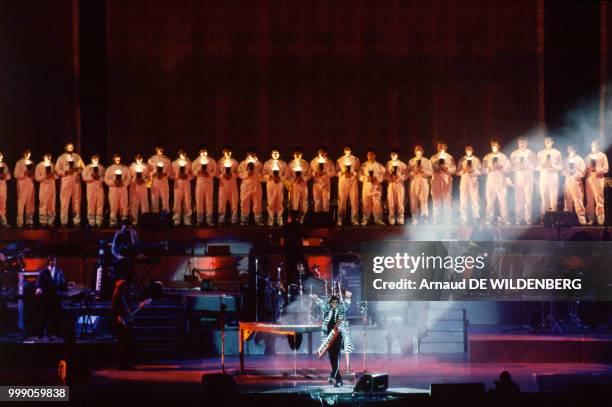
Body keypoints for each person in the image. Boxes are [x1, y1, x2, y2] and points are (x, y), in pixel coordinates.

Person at [312, 293, 354, 387]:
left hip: (338, 336)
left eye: (336, 302)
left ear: (338, 303)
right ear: (330, 303)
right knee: (332, 358)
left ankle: (333, 376)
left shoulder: (341, 310)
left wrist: (347, 297)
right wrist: (316, 298)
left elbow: (347, 304)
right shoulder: (327, 310)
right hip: (329, 336)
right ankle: (339, 380)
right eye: (332, 302)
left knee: (336, 356)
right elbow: (321, 304)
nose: (334, 304)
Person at [35, 256, 68, 339]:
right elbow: (39, 282)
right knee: (44, 315)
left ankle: (56, 333)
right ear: (48, 262)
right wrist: (38, 289)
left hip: (56, 296)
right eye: (52, 261)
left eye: (54, 261)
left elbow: (63, 283)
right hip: (46, 297)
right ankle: (41, 333)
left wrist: (67, 286)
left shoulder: (59, 271)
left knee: (56, 315)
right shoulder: (44, 271)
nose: (53, 263)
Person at [55, 142, 84, 227]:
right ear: (65, 148)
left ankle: (76, 221)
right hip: (66, 181)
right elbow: (57, 169)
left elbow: (83, 168)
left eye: (72, 147)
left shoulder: (77, 157)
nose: (70, 149)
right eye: (69, 147)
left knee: (76, 201)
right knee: (64, 201)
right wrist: (66, 171)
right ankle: (64, 221)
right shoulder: (61, 158)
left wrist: (77, 170)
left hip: (76, 181)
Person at [483, 140, 510, 225]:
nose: (494, 147)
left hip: (500, 179)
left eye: (495, 145)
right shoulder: (487, 157)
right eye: (492, 145)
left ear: (499, 146)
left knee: (502, 200)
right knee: (490, 201)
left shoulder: (503, 156)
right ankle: (489, 219)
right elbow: (483, 169)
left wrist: (501, 167)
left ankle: (505, 219)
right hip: (491, 179)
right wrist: (490, 169)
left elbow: (508, 168)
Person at [510, 137, 536, 225]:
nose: (521, 144)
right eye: (520, 143)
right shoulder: (514, 153)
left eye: (523, 143)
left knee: (528, 199)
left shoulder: (530, 153)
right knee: (518, 198)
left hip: (528, 176)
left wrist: (527, 166)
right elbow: (511, 166)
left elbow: (535, 165)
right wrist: (517, 167)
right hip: (518, 176)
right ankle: (519, 219)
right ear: (518, 143)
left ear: (526, 143)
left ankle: (528, 218)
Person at [110, 279, 135, 370]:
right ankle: (122, 365)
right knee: (123, 343)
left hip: (126, 321)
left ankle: (126, 364)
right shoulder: (116, 297)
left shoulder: (124, 296)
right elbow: (114, 311)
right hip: (121, 322)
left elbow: (127, 309)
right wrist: (119, 318)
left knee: (126, 343)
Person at [537, 136, 563, 219]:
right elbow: (536, 167)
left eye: (549, 141)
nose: (547, 142)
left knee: (553, 196)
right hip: (543, 176)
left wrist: (553, 166)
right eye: (545, 141)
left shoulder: (557, 153)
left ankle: (553, 217)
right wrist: (543, 165)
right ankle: (545, 217)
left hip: (553, 176)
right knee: (544, 197)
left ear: (552, 142)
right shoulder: (540, 153)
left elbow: (561, 166)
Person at [430, 142, 456, 224]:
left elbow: (454, 170)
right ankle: (436, 219)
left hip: (446, 180)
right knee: (436, 199)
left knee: (447, 199)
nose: (441, 147)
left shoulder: (449, 157)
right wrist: (435, 169)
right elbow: (429, 169)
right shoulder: (433, 157)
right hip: (436, 180)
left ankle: (447, 219)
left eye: (443, 146)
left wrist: (446, 168)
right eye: (440, 146)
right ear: (437, 147)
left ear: (446, 147)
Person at [111, 219, 141, 289]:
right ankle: (119, 286)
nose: (127, 228)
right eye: (125, 226)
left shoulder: (134, 233)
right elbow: (113, 249)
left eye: (129, 227)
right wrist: (119, 257)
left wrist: (139, 253)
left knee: (129, 271)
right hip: (120, 258)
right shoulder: (118, 234)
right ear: (122, 226)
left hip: (130, 257)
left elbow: (137, 245)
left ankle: (127, 287)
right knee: (121, 270)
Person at [585, 140, 609, 225]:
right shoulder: (588, 156)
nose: (593, 147)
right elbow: (584, 169)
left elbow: (606, 168)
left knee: (599, 199)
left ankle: (600, 219)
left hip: (598, 179)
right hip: (589, 179)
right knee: (590, 200)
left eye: (595, 145)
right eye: (592, 145)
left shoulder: (602, 156)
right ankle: (591, 218)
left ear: (598, 146)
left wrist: (598, 170)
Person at [359, 148, 386, 226]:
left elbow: (383, 175)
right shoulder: (364, 165)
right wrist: (366, 178)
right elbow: (360, 175)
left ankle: (377, 219)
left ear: (375, 155)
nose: (369, 156)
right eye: (368, 155)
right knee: (366, 203)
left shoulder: (379, 166)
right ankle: (365, 219)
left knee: (377, 203)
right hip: (367, 187)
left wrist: (376, 178)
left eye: (371, 155)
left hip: (376, 187)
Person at [336, 144, 361, 226]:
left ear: (351, 150)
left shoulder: (355, 159)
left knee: (354, 200)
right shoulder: (340, 160)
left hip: (352, 182)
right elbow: (336, 171)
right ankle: (340, 219)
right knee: (342, 200)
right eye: (345, 149)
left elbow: (358, 171)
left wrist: (352, 174)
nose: (347, 150)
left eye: (348, 149)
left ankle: (354, 219)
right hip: (343, 181)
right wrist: (342, 173)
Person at [238, 147, 264, 226]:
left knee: (257, 203)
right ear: (247, 154)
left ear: (255, 154)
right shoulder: (242, 164)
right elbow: (239, 174)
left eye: (253, 153)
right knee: (244, 202)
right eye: (250, 153)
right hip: (246, 185)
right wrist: (247, 174)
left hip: (256, 185)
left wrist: (255, 173)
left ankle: (258, 220)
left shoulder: (259, 164)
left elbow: (263, 175)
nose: (251, 154)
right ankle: (244, 220)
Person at [192, 145, 216, 226]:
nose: (203, 153)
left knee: (209, 202)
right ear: (199, 152)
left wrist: (208, 174)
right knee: (199, 201)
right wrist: (198, 172)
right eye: (202, 151)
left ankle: (209, 220)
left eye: (205, 151)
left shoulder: (211, 161)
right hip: (200, 183)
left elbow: (215, 171)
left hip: (209, 182)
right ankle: (200, 220)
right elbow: (192, 172)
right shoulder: (196, 161)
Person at [457, 145, 481, 225]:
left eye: (470, 149)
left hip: (473, 181)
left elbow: (480, 172)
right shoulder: (462, 160)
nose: (468, 151)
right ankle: (464, 218)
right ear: (465, 150)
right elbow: (457, 172)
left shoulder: (476, 159)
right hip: (464, 181)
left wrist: (473, 170)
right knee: (463, 200)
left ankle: (476, 217)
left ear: (472, 150)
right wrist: (463, 170)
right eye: (467, 150)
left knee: (474, 199)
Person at [408, 145, 432, 225]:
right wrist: (414, 171)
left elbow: (431, 172)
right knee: (413, 200)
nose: (418, 151)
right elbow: (407, 174)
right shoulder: (411, 161)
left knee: (424, 200)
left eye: (420, 150)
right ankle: (415, 218)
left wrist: (423, 171)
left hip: (423, 182)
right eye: (416, 150)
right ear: (415, 152)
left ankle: (424, 217)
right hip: (414, 182)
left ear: (422, 151)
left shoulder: (427, 161)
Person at [310, 146, 335, 223]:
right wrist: (315, 173)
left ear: (326, 153)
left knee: (326, 202)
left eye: (323, 152)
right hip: (316, 184)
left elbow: (333, 172)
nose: (321, 153)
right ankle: (317, 220)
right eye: (320, 152)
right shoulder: (314, 161)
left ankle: (325, 220)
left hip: (326, 184)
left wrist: (326, 173)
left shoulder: (329, 162)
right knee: (317, 201)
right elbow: (310, 172)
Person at [263, 147, 287, 226]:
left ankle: (279, 220)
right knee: (271, 202)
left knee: (279, 202)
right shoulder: (267, 163)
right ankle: (271, 220)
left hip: (279, 184)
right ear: (271, 154)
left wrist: (280, 177)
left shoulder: (283, 163)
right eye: (274, 153)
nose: (275, 154)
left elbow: (286, 174)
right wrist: (270, 177)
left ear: (279, 154)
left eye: (277, 153)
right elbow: (264, 173)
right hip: (271, 184)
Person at [105, 153, 131, 227]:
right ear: (113, 158)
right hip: (113, 190)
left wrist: (123, 183)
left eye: (119, 157)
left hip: (123, 189)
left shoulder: (125, 168)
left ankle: (124, 220)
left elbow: (128, 179)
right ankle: (113, 221)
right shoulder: (110, 169)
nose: (117, 158)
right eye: (116, 157)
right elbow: (106, 179)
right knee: (113, 205)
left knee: (124, 205)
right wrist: (114, 182)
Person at [563, 145, 587, 225]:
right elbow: (563, 170)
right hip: (567, 181)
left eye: (571, 149)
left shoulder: (579, 159)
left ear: (575, 149)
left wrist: (575, 174)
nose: (569, 150)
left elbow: (583, 172)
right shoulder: (566, 159)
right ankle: (567, 220)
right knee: (567, 201)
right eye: (568, 149)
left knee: (578, 201)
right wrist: (565, 172)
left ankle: (582, 221)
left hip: (576, 182)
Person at [287, 146, 311, 224]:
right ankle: (294, 219)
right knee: (294, 202)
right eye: (296, 154)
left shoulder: (306, 163)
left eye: (299, 154)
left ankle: (302, 218)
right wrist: (294, 179)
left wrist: (303, 178)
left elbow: (309, 174)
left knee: (303, 201)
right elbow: (288, 175)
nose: (297, 155)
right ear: (293, 154)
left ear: (301, 154)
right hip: (295, 185)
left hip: (303, 185)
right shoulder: (290, 164)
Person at [217, 146, 240, 225]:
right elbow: (217, 173)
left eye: (229, 151)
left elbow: (238, 173)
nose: (228, 153)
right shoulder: (220, 162)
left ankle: (234, 219)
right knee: (222, 202)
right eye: (226, 151)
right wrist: (222, 176)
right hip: (223, 184)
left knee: (234, 202)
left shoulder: (235, 162)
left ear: (231, 152)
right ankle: (221, 220)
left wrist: (232, 175)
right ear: (223, 152)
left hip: (232, 184)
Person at [147, 143, 173, 214]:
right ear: (156, 149)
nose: (160, 150)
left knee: (165, 199)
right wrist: (154, 174)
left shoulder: (167, 159)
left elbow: (170, 172)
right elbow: (148, 171)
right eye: (159, 148)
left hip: (164, 180)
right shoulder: (151, 159)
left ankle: (166, 217)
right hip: (155, 180)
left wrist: (164, 174)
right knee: (154, 199)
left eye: (161, 148)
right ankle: (155, 217)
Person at [35, 153, 59, 227]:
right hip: (44, 187)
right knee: (43, 204)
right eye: (47, 156)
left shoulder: (53, 165)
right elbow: (37, 178)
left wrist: (53, 175)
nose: (48, 158)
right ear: (43, 157)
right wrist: (45, 176)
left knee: (51, 204)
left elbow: (58, 175)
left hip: (52, 187)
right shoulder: (39, 165)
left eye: (50, 156)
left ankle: (50, 221)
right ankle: (43, 222)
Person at [82, 155, 106, 227]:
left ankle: (99, 221)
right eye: (94, 158)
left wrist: (99, 177)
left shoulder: (101, 168)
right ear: (91, 159)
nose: (95, 160)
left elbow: (105, 178)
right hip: (91, 189)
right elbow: (84, 177)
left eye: (97, 158)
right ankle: (91, 221)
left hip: (99, 188)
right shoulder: (87, 167)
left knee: (100, 204)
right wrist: (91, 177)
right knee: (91, 204)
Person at [14, 149, 36, 228]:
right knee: (21, 203)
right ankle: (20, 222)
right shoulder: (19, 163)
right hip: (22, 185)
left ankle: (29, 221)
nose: (27, 154)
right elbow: (16, 174)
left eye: (29, 153)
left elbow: (35, 174)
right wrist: (24, 173)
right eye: (26, 153)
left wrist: (31, 175)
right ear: (23, 154)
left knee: (30, 203)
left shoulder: (32, 163)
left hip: (30, 184)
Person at [171, 148, 193, 226]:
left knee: (187, 201)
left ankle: (187, 220)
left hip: (186, 183)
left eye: (184, 152)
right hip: (178, 183)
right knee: (177, 201)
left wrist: (187, 176)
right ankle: (176, 220)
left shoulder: (189, 162)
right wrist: (178, 175)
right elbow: (171, 174)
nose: (183, 154)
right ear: (178, 153)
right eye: (181, 152)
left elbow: (192, 174)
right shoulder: (174, 163)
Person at [386, 149, 407, 226]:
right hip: (391, 184)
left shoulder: (402, 164)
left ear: (398, 155)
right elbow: (385, 175)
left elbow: (406, 176)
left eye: (395, 154)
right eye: (392, 154)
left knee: (400, 201)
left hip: (399, 185)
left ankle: (400, 217)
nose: (393, 156)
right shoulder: (388, 164)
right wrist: (390, 176)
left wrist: (399, 177)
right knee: (391, 201)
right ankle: (391, 217)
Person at [129, 153, 150, 226]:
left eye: (141, 157)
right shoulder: (131, 167)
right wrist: (135, 179)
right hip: (134, 187)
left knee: (144, 203)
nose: (139, 159)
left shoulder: (145, 166)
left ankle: (145, 220)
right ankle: (134, 221)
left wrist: (143, 180)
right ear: (135, 158)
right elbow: (129, 178)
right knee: (134, 203)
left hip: (143, 187)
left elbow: (148, 178)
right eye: (138, 157)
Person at [0, 151, 11, 227]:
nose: (1, 157)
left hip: (3, 187)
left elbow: (9, 176)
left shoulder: (4, 165)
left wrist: (4, 176)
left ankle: (3, 222)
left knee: (3, 204)